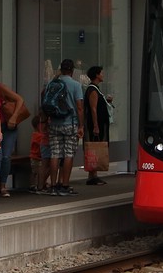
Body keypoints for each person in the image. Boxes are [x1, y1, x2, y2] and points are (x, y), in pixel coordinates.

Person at [44, 59, 84, 196]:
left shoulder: (52, 83)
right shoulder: (76, 85)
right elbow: (79, 107)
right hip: (70, 123)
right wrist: (81, 125)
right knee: (68, 154)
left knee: (54, 154)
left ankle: (53, 185)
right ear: (72, 70)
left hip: (54, 123)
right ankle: (65, 185)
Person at [0, 72, 26, 197]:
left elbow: (19, 99)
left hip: (8, 126)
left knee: (6, 156)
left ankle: (3, 186)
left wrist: (14, 117)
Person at [82, 65, 111, 186]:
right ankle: (92, 174)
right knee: (94, 147)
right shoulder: (93, 90)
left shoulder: (95, 89)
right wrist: (95, 125)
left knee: (95, 147)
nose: (103, 75)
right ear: (97, 75)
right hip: (95, 124)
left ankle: (93, 174)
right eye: (101, 73)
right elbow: (93, 109)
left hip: (99, 122)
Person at [28, 110, 51, 194]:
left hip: (35, 157)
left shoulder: (35, 134)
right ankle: (35, 184)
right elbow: (41, 143)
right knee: (36, 172)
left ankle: (37, 184)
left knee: (35, 172)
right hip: (36, 157)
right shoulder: (38, 135)